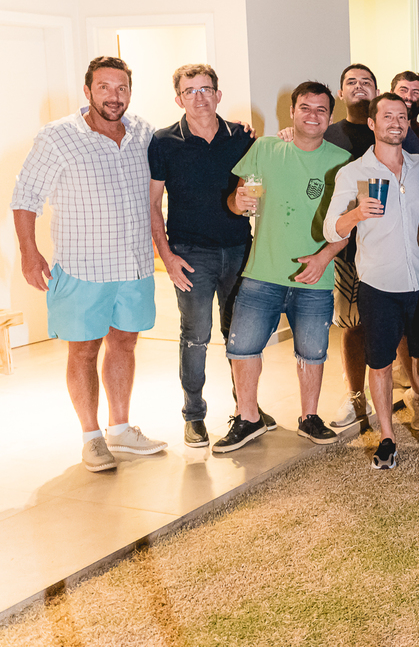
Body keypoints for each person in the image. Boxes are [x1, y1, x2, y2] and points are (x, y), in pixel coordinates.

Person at [12, 56, 167, 471]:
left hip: (134, 266)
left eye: (121, 88)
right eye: (104, 87)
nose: (114, 97)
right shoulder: (57, 137)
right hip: (83, 267)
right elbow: (25, 197)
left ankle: (121, 429)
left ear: (130, 91)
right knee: (83, 350)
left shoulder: (144, 133)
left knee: (126, 343)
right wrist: (29, 252)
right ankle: (91, 438)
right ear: (87, 90)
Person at [212, 81, 350, 453]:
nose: (313, 115)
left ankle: (309, 417)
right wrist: (239, 201)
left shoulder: (342, 162)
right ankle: (248, 418)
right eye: (305, 107)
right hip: (263, 271)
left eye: (321, 110)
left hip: (316, 274)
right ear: (291, 112)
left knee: (313, 353)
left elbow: (348, 225)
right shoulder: (266, 149)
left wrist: (323, 258)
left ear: (330, 117)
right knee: (243, 348)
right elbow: (241, 201)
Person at [323, 92, 419, 468]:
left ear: (408, 124)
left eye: (401, 117)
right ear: (372, 123)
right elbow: (331, 229)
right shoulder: (352, 173)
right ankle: (387, 437)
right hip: (378, 285)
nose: (395, 123)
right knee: (379, 363)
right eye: (387, 116)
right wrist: (356, 214)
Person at [149, 63, 275, 448]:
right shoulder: (163, 141)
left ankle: (246, 410)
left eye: (206, 89)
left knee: (241, 335)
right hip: (190, 254)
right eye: (190, 91)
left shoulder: (242, 136)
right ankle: (194, 415)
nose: (199, 97)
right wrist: (166, 256)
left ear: (218, 95)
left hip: (239, 249)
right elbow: (152, 205)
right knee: (196, 336)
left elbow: (257, 184)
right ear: (178, 99)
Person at [321, 64, 382, 429]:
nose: (359, 87)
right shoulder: (327, 135)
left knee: (396, 324)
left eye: (366, 82)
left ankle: (404, 390)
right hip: (346, 247)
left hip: (388, 245)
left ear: (376, 91)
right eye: (351, 82)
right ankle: (356, 395)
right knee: (352, 324)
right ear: (340, 93)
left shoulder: (388, 128)